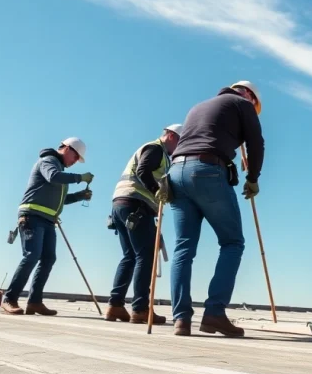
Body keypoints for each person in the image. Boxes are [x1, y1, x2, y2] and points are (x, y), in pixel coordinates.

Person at [167, 81, 264, 337]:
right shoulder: (243, 103)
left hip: (175, 172)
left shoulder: (199, 106)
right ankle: (214, 314)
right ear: (249, 95)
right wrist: (253, 178)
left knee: (184, 246)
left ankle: (181, 319)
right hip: (207, 170)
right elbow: (256, 143)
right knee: (233, 242)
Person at [2, 137, 94, 316]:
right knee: (31, 256)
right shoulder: (48, 162)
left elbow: (61, 199)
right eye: (75, 157)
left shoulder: (60, 171)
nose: (75, 162)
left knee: (48, 258)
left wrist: (80, 196)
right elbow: (53, 177)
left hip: (47, 220)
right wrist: (79, 178)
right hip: (32, 216)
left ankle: (35, 302)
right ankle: (9, 299)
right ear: (67, 149)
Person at [106, 124, 182, 324]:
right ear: (172, 136)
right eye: (180, 142)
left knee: (129, 256)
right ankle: (140, 308)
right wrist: (157, 190)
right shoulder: (156, 149)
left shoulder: (158, 152)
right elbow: (143, 170)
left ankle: (115, 306)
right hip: (136, 205)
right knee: (145, 255)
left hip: (121, 205)